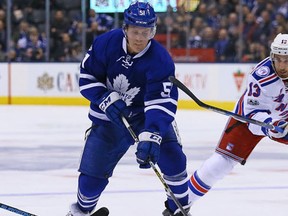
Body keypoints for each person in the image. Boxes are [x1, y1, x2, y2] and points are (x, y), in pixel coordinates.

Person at [66, 2, 191, 216]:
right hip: (110, 118)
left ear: (154, 31)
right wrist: (104, 98)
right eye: (135, 31)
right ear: (126, 29)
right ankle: (81, 211)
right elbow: (87, 78)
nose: (140, 38)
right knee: (91, 178)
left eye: (146, 32)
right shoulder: (106, 43)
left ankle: (178, 210)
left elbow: (160, 102)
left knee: (173, 159)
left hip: (145, 116)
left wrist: (152, 133)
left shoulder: (160, 60)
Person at [188, 33, 288, 209]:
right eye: (278, 59)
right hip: (251, 119)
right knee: (221, 163)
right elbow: (253, 116)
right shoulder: (261, 76)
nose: (281, 66)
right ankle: (180, 202)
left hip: (283, 117)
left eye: (287, 60)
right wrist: (271, 126)